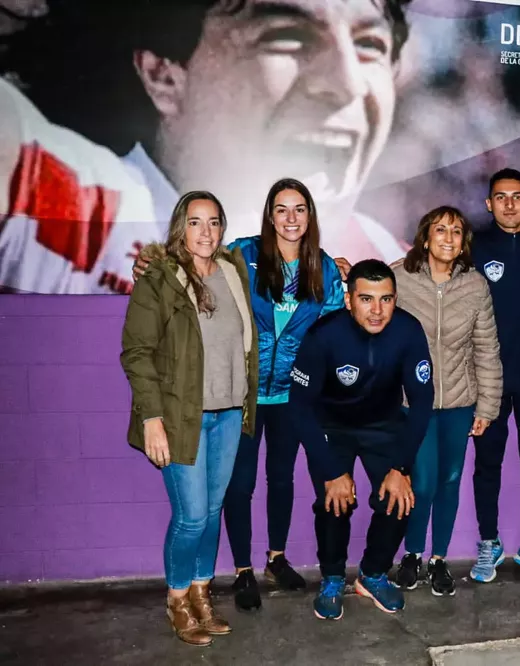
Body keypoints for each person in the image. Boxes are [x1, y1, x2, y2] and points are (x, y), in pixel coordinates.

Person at [0, 0, 412, 293]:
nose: (348, 84)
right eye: (287, 36)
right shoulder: (89, 220)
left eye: (369, 45)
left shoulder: (407, 274)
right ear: (163, 76)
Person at [132, 178, 346, 611]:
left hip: (292, 396)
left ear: (310, 216)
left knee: (282, 479)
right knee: (239, 485)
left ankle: (276, 558)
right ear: (269, 215)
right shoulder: (242, 256)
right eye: (281, 209)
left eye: (299, 209)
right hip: (243, 396)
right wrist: (147, 259)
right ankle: (244, 568)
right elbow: (190, 257)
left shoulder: (324, 269)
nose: (291, 218)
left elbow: (335, 327)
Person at [120, 190, 257, 646]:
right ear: (181, 226)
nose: (206, 232)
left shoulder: (234, 272)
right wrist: (151, 418)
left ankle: (202, 593)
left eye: (214, 222)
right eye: (196, 222)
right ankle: (177, 599)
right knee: (192, 517)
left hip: (228, 413)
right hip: (182, 417)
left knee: (214, 510)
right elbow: (136, 353)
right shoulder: (158, 278)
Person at [287, 259, 434, 620]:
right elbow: (300, 406)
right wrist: (332, 469)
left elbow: (422, 401)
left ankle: (373, 573)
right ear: (349, 299)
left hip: (383, 427)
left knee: (399, 499)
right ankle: (333, 578)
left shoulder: (408, 330)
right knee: (333, 502)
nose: (377, 310)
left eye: (386, 299)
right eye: (366, 299)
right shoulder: (324, 335)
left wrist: (401, 467)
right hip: (331, 428)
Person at [392, 205, 502, 597]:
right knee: (421, 482)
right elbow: (370, 315)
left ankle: (438, 560)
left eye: (456, 232)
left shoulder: (474, 286)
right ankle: (412, 555)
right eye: (441, 230)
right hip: (413, 404)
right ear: (425, 237)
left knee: (450, 480)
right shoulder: (399, 277)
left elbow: (486, 349)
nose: (448, 238)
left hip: (459, 403)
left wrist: (487, 407)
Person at [468, 168, 520, 583]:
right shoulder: (475, 246)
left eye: (517, 197)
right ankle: (489, 542)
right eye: (500, 197)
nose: (509, 204)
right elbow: (422, 259)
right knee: (488, 461)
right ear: (489, 203)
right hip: (489, 377)